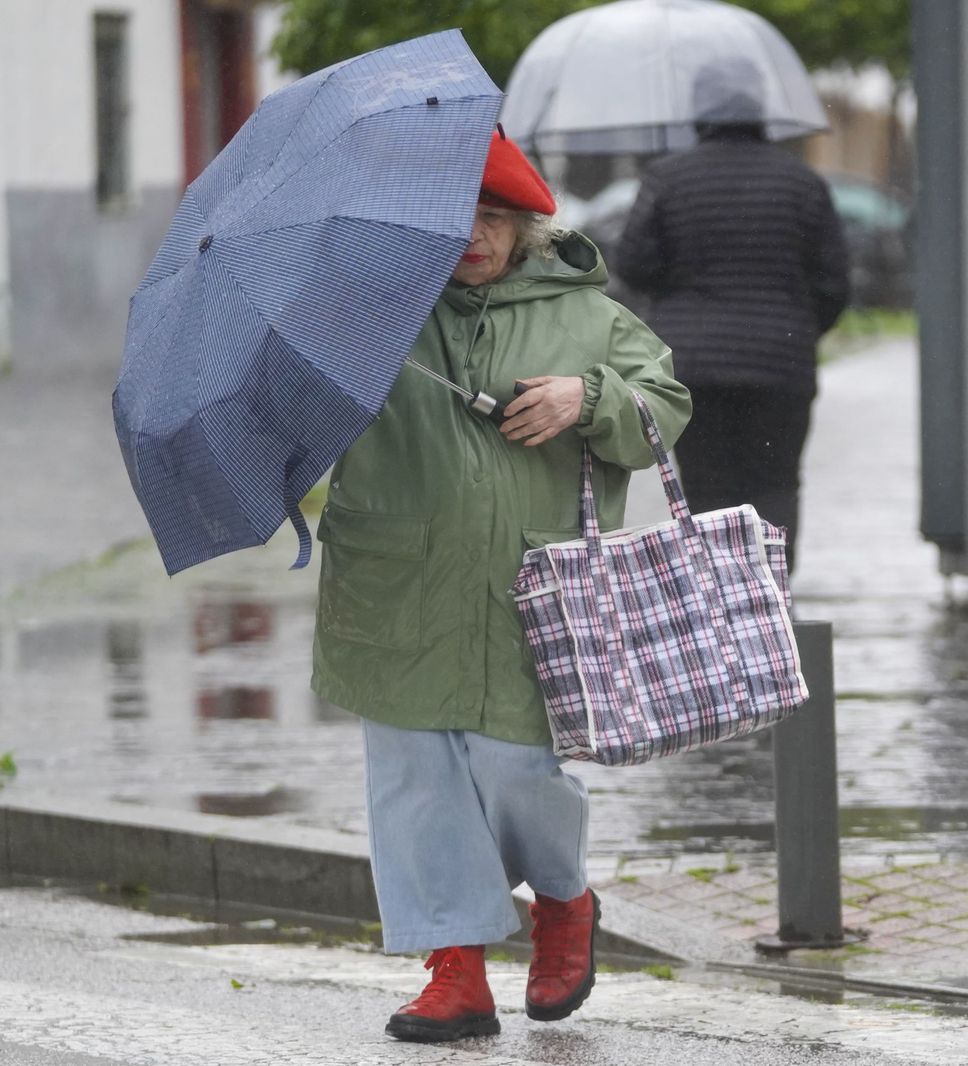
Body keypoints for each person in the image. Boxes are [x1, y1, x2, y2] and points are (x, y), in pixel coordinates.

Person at [310, 128, 690, 1043]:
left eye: (491, 217)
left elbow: (662, 410)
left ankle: (563, 901)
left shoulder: (588, 313)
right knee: (416, 783)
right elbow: (300, 415)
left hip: (532, 587)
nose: (472, 236)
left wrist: (586, 399)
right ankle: (457, 971)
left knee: (520, 771)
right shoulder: (374, 316)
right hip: (393, 581)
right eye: (452, 221)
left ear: (524, 224)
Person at [614, 57, 849, 572]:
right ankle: (772, 602)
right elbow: (834, 284)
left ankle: (721, 605)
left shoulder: (668, 178)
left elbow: (632, 265)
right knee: (775, 484)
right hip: (780, 365)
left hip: (694, 367)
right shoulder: (803, 183)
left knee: (708, 489)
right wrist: (800, 330)